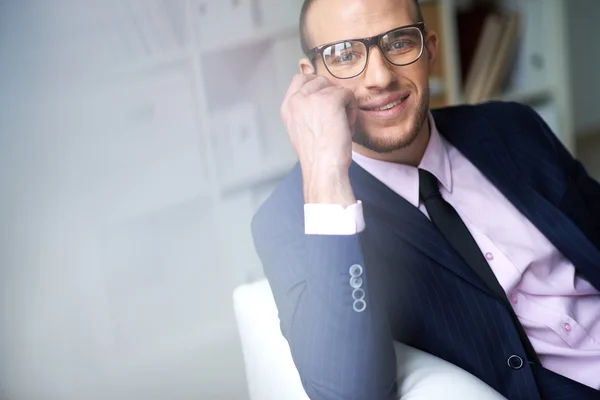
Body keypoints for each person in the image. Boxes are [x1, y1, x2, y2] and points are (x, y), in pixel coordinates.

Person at [251, 0, 600, 398]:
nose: (380, 76)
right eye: (346, 55)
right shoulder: (291, 221)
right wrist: (326, 174)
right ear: (310, 81)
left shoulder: (511, 125)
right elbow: (348, 392)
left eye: (399, 43)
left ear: (430, 49)